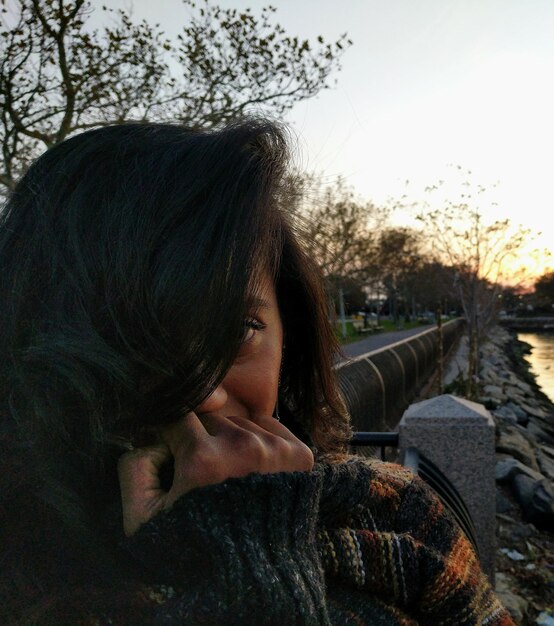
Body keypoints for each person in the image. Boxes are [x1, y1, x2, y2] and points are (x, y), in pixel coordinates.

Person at [0, 120, 513, 625]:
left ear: (288, 334)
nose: (202, 395)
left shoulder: (393, 509)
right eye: (134, 343)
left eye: (238, 332)